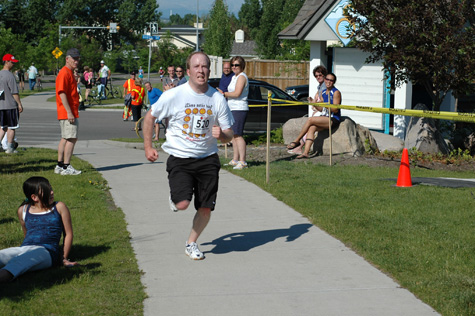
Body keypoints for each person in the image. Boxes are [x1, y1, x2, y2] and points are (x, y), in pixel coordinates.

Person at [143, 52, 234, 260]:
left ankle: (191, 243)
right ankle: (175, 198)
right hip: (181, 158)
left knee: (205, 208)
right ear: (188, 70)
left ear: (209, 70)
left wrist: (222, 135)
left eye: (205, 67)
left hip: (208, 158)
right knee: (182, 204)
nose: (201, 70)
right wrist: (149, 147)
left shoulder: (217, 98)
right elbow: (150, 117)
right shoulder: (174, 95)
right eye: (196, 66)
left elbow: (229, 134)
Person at [0, 176, 78, 283]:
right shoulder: (23, 210)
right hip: (25, 248)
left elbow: (68, 234)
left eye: (51, 188)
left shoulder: (59, 207)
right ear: (34, 197)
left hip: (47, 252)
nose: (51, 192)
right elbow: (26, 234)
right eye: (47, 191)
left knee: (19, 262)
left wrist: (63, 258)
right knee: (2, 255)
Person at [286, 72, 342, 159]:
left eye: (331, 80)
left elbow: (335, 109)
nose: (328, 82)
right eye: (327, 79)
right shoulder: (323, 92)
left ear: (334, 82)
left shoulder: (336, 92)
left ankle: (297, 141)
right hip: (325, 117)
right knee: (312, 128)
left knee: (310, 120)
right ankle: (305, 152)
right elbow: (321, 109)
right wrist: (314, 104)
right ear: (325, 80)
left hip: (333, 119)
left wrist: (324, 104)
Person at [217, 56, 249, 170]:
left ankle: (243, 161)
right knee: (234, 136)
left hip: (239, 108)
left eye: (237, 65)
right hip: (232, 108)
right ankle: (235, 159)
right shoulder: (234, 77)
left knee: (238, 135)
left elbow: (237, 93)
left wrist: (223, 94)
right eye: (232, 65)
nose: (234, 67)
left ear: (242, 66)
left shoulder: (241, 77)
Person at [54, 48, 82, 175]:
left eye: (77, 59)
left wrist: (75, 80)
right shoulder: (64, 73)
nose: (76, 61)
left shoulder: (69, 72)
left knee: (65, 138)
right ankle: (66, 166)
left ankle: (60, 165)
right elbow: (62, 93)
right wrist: (69, 112)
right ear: (67, 59)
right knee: (71, 138)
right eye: (73, 59)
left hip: (68, 111)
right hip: (67, 111)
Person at [288, 65, 328, 155]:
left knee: (309, 123)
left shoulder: (325, 86)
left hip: (324, 113)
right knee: (310, 127)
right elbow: (317, 99)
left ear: (324, 75)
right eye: (316, 76)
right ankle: (302, 149)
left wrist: (315, 104)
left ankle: (298, 143)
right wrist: (313, 102)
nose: (318, 77)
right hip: (320, 111)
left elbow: (323, 101)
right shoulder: (320, 86)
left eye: (320, 75)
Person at [0, 53, 24, 154]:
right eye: (12, 62)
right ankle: (10, 148)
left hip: (1, 106)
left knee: (2, 127)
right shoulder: (10, 76)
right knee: (12, 127)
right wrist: (19, 104)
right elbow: (14, 92)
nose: (13, 64)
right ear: (6, 62)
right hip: (10, 105)